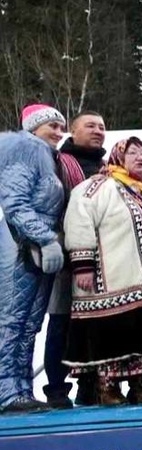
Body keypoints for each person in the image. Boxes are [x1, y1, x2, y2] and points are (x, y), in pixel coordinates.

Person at [63, 138, 142, 406]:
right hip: (110, 278)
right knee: (111, 332)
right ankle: (107, 388)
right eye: (132, 152)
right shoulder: (96, 187)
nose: (141, 157)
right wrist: (82, 264)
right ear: (117, 156)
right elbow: (79, 221)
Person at [0, 105, 67, 413]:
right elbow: (15, 202)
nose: (58, 131)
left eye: (60, 126)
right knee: (12, 321)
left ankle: (21, 388)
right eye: (52, 125)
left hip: (36, 248)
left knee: (30, 323)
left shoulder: (46, 156)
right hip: (20, 246)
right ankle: (6, 390)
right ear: (33, 127)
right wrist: (45, 237)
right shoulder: (25, 148)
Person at [46, 110, 107, 408]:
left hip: (105, 259)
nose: (97, 131)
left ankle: (90, 385)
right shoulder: (58, 163)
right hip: (66, 256)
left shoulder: (108, 167)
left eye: (101, 126)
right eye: (90, 126)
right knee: (60, 321)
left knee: (95, 322)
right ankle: (56, 389)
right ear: (73, 131)